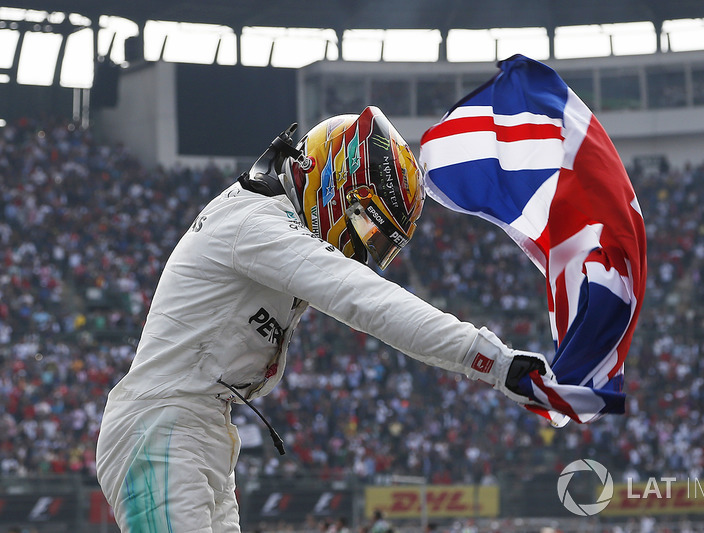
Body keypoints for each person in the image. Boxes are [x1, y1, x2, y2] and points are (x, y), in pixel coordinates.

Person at [95, 106, 554, 532]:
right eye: (368, 226)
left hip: (194, 425)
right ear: (338, 179)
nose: (365, 247)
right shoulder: (257, 225)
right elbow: (368, 301)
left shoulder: (263, 214)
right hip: (164, 425)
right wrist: (494, 362)